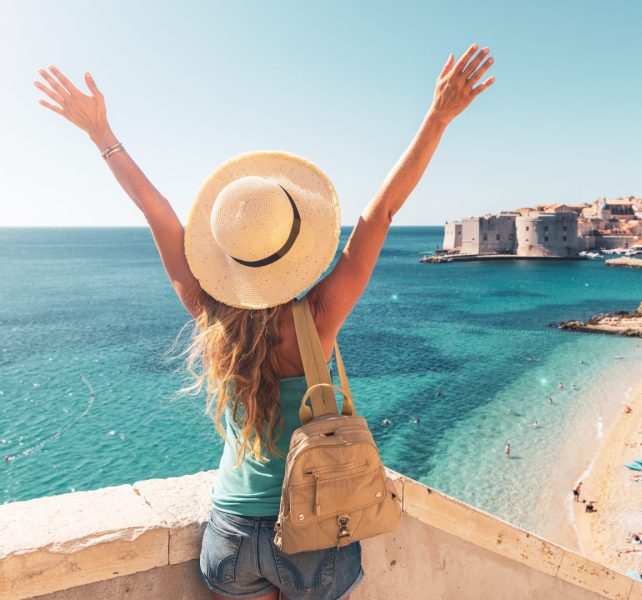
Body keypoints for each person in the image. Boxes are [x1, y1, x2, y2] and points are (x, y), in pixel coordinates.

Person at [34, 43, 495, 600]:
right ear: (295, 244)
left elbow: (158, 214)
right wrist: (438, 117)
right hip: (311, 531)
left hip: (229, 533)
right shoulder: (317, 320)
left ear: (226, 254)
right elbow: (382, 212)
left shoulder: (209, 316)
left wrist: (100, 133)